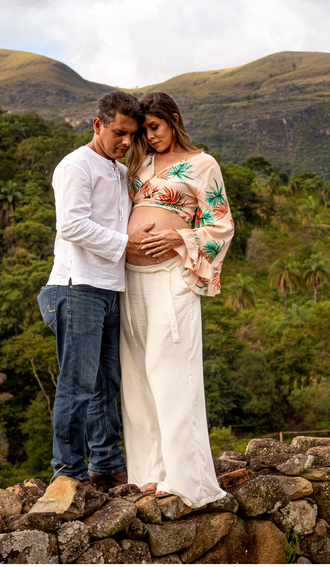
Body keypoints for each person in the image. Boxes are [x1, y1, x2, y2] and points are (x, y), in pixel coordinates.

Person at [119, 91, 233, 506]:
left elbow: (221, 225)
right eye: (143, 132)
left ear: (174, 119)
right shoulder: (139, 163)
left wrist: (178, 237)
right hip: (130, 278)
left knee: (170, 374)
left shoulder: (203, 164)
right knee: (136, 376)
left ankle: (187, 479)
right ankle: (149, 473)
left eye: (155, 127)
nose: (150, 137)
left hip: (171, 276)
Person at [36, 90, 153, 492]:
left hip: (109, 288)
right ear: (98, 124)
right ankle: (67, 473)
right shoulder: (76, 165)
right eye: (119, 133)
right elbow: (71, 224)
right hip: (76, 287)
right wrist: (127, 244)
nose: (126, 142)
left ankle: (106, 465)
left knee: (106, 383)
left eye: (133, 135)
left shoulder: (119, 172)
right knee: (78, 385)